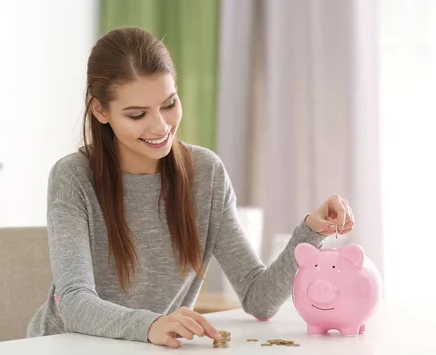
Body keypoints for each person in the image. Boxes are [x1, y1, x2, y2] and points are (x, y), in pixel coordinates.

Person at [26, 26, 355, 349]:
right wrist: (152, 324)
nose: (160, 126)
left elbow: (259, 299)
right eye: (137, 114)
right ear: (100, 110)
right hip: (63, 346)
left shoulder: (205, 173)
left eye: (168, 104)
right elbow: (72, 302)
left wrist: (311, 230)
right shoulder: (73, 177)